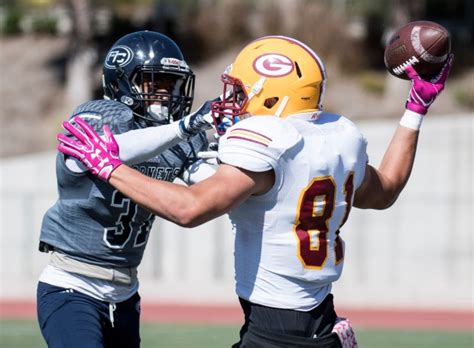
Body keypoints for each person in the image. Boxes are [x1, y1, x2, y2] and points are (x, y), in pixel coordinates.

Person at [57, 35, 453, 347]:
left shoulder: (266, 139)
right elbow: (385, 190)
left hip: (277, 332)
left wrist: (109, 166)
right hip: (319, 316)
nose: (235, 101)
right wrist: (414, 110)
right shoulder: (337, 136)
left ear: (272, 94)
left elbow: (189, 209)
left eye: (242, 90)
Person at [37, 30, 217, 348]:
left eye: (171, 83)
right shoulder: (98, 116)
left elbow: (212, 185)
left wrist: (239, 146)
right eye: (155, 81)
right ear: (123, 81)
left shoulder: (175, 137)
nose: (166, 92)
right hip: (72, 285)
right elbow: (112, 150)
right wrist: (185, 127)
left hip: (126, 295)